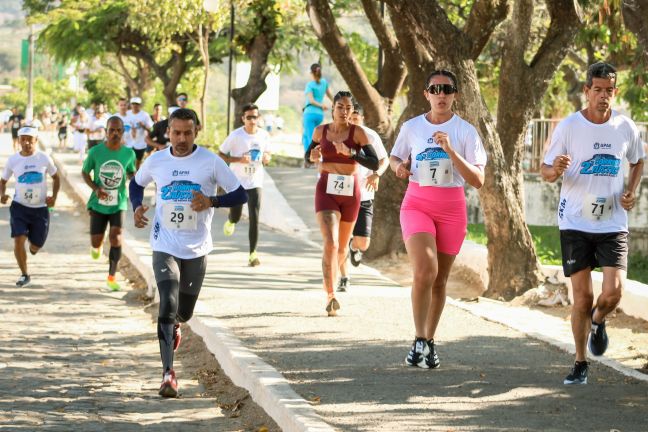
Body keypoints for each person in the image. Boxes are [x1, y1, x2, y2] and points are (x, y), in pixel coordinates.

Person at [129, 108, 247, 398]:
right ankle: (168, 373)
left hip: (197, 248)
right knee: (167, 303)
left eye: (187, 133)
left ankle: (176, 324)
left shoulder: (210, 161)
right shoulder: (157, 160)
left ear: (197, 131)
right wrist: (136, 206)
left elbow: (239, 193)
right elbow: (136, 183)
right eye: (176, 132)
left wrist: (212, 201)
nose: (181, 138)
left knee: (184, 311)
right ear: (168, 131)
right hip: (164, 243)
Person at [541, 62, 645, 385]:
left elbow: (638, 160)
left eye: (609, 91)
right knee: (582, 298)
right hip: (574, 221)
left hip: (612, 222)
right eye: (597, 90)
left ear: (614, 93)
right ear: (586, 91)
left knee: (613, 293)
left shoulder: (625, 127)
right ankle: (580, 361)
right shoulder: (570, 127)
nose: (603, 96)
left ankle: (599, 321)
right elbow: (545, 171)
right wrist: (555, 169)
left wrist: (631, 190)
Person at [390, 69, 486, 369]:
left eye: (447, 89)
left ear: (455, 95)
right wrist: (398, 168)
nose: (441, 94)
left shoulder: (466, 131)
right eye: (435, 89)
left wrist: (451, 151)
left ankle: (429, 342)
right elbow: (395, 157)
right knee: (425, 270)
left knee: (440, 279)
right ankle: (418, 339)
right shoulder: (411, 127)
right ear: (426, 94)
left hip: (451, 208)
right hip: (417, 203)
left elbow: (478, 179)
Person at [305, 91, 379, 316]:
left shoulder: (358, 133)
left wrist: (352, 152)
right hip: (326, 189)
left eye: (348, 108)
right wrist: (314, 156)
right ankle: (330, 295)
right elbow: (308, 155)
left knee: (342, 247)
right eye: (340, 107)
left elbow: (374, 162)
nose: (344, 111)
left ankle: (335, 280)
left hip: (350, 192)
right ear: (332, 108)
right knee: (330, 242)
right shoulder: (321, 131)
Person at [337, 104, 389, 292]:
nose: (353, 119)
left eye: (356, 116)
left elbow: (384, 160)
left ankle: (354, 246)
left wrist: (377, 174)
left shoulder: (370, 136)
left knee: (363, 243)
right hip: (341, 194)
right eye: (350, 116)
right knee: (339, 240)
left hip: (364, 194)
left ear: (363, 118)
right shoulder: (337, 134)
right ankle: (344, 277)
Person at [0, 126, 60, 287]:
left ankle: (34, 247)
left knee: (35, 245)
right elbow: (3, 181)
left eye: (30, 140)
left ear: (36, 141)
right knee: (18, 240)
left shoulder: (44, 158)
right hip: (19, 206)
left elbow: (56, 178)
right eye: (23, 140)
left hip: (40, 209)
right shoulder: (13, 160)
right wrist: (2, 194)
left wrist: (53, 197)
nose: (26, 143)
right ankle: (24, 274)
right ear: (19, 141)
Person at [82, 116, 137, 291]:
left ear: (123, 132)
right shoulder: (95, 152)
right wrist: (96, 188)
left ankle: (112, 277)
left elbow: (130, 172)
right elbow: (85, 172)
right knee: (96, 241)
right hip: (99, 202)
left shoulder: (129, 153)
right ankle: (96, 246)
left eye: (118, 130)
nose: (115, 133)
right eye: (111, 130)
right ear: (106, 132)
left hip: (118, 202)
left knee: (116, 237)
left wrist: (136, 179)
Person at [219, 103, 272, 266]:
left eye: (254, 117)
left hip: (255, 180)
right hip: (237, 181)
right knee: (236, 215)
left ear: (258, 118)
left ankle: (253, 254)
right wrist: (238, 160)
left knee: (254, 217)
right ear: (243, 119)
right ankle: (231, 220)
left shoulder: (263, 135)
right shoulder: (236, 136)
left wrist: (267, 158)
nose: (252, 120)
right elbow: (220, 154)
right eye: (248, 117)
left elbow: (268, 153)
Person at [302, 63, 333, 161]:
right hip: (319, 115)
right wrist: (335, 104)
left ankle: (309, 159)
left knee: (309, 137)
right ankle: (313, 158)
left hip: (309, 113)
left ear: (311, 72)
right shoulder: (324, 82)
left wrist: (322, 105)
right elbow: (330, 96)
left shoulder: (310, 85)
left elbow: (311, 100)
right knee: (315, 136)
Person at [125, 97, 153, 169]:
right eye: (133, 104)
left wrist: (143, 125)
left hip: (140, 143)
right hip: (128, 143)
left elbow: (151, 129)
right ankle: (131, 176)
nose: (135, 106)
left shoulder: (145, 115)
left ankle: (136, 177)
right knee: (128, 161)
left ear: (140, 105)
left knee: (138, 162)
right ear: (130, 105)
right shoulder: (126, 114)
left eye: (137, 104)